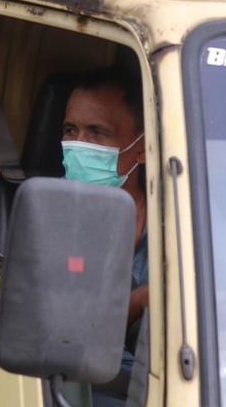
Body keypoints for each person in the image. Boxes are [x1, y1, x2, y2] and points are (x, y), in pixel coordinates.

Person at [60, 66, 147, 404]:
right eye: (70, 129)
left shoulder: (182, 214)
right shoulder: (54, 216)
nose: (79, 145)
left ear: (142, 148)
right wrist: (141, 300)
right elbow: (73, 332)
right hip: (89, 388)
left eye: (97, 131)